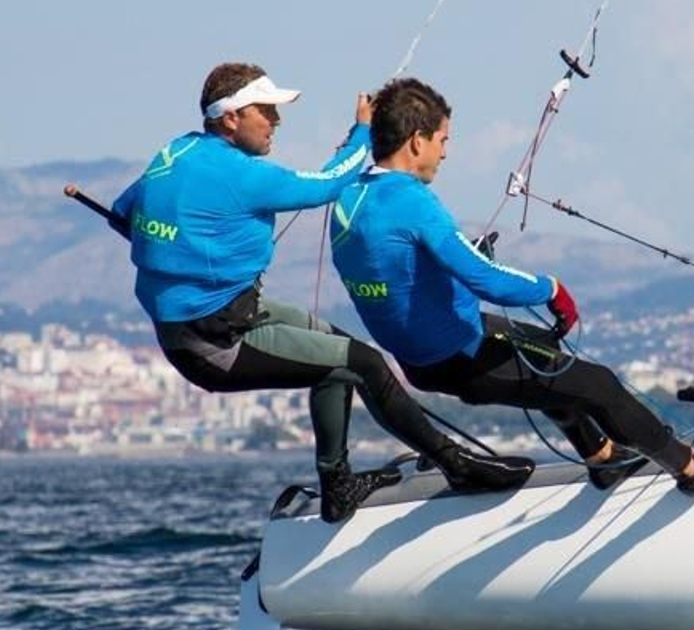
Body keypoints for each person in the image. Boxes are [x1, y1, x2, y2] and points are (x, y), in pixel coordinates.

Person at [108, 62, 532, 522]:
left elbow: (121, 213)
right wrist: (362, 132)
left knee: (342, 351)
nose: (276, 121)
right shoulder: (242, 175)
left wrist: (182, 245)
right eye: (265, 111)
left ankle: (338, 485)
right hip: (214, 344)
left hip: (225, 315)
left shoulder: (175, 153)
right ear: (231, 118)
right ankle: (457, 467)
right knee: (361, 364)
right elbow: (327, 185)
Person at [328, 77, 694, 494]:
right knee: (599, 385)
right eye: (443, 139)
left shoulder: (348, 196)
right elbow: (485, 279)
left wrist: (363, 129)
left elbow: (400, 264)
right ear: (417, 141)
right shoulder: (412, 202)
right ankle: (693, 469)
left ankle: (603, 459)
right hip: (461, 355)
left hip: (426, 358)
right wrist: (551, 289)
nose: (446, 152)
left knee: (545, 351)